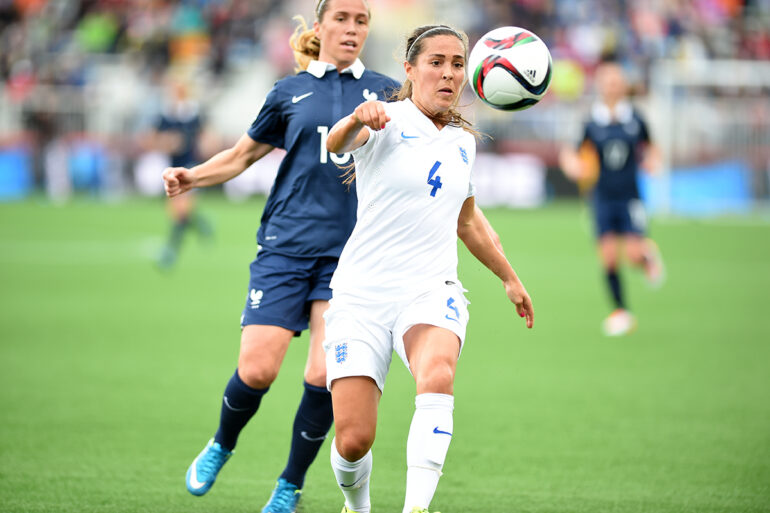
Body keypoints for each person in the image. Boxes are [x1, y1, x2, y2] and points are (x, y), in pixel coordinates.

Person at [162, 1, 400, 512]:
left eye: (361, 21)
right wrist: (192, 176)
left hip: (350, 258)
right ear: (320, 27)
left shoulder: (384, 91)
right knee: (258, 369)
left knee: (322, 376)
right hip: (286, 248)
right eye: (342, 19)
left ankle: (290, 484)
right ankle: (222, 443)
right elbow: (242, 155)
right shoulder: (288, 91)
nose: (352, 29)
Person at [323, 25, 535, 513]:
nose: (448, 72)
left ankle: (415, 508)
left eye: (457, 63)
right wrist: (358, 117)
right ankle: (357, 507)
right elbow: (336, 144)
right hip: (362, 294)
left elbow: (467, 221)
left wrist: (508, 275)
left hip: (430, 288)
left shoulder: (464, 141)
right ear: (410, 69)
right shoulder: (386, 119)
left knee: (437, 372)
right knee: (353, 439)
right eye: (436, 62)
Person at [559, 58, 665, 336]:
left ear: (624, 86)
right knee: (607, 257)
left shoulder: (636, 119)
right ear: (600, 86)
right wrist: (573, 166)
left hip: (630, 196)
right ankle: (621, 311)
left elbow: (653, 148)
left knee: (631, 254)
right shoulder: (592, 121)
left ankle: (646, 257)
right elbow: (570, 152)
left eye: (616, 81)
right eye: (607, 81)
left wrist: (653, 162)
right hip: (602, 196)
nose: (612, 86)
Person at [151, 77, 214, 269]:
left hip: (190, 166)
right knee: (179, 214)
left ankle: (170, 251)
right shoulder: (166, 114)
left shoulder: (192, 113)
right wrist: (167, 143)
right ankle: (202, 224)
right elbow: (151, 139)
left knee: (180, 213)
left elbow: (204, 136)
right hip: (172, 168)